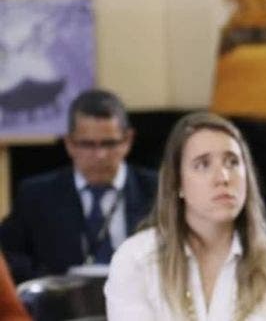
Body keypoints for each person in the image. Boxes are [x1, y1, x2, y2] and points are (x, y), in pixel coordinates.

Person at [105, 112, 266, 320]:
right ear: (178, 183)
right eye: (203, 164)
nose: (223, 177)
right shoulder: (135, 260)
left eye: (232, 162)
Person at [0, 89, 157, 282]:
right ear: (69, 144)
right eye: (88, 145)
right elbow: (9, 255)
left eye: (109, 144)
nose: (100, 155)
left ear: (127, 140)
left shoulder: (157, 190)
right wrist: (53, 285)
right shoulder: (36, 195)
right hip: (63, 307)